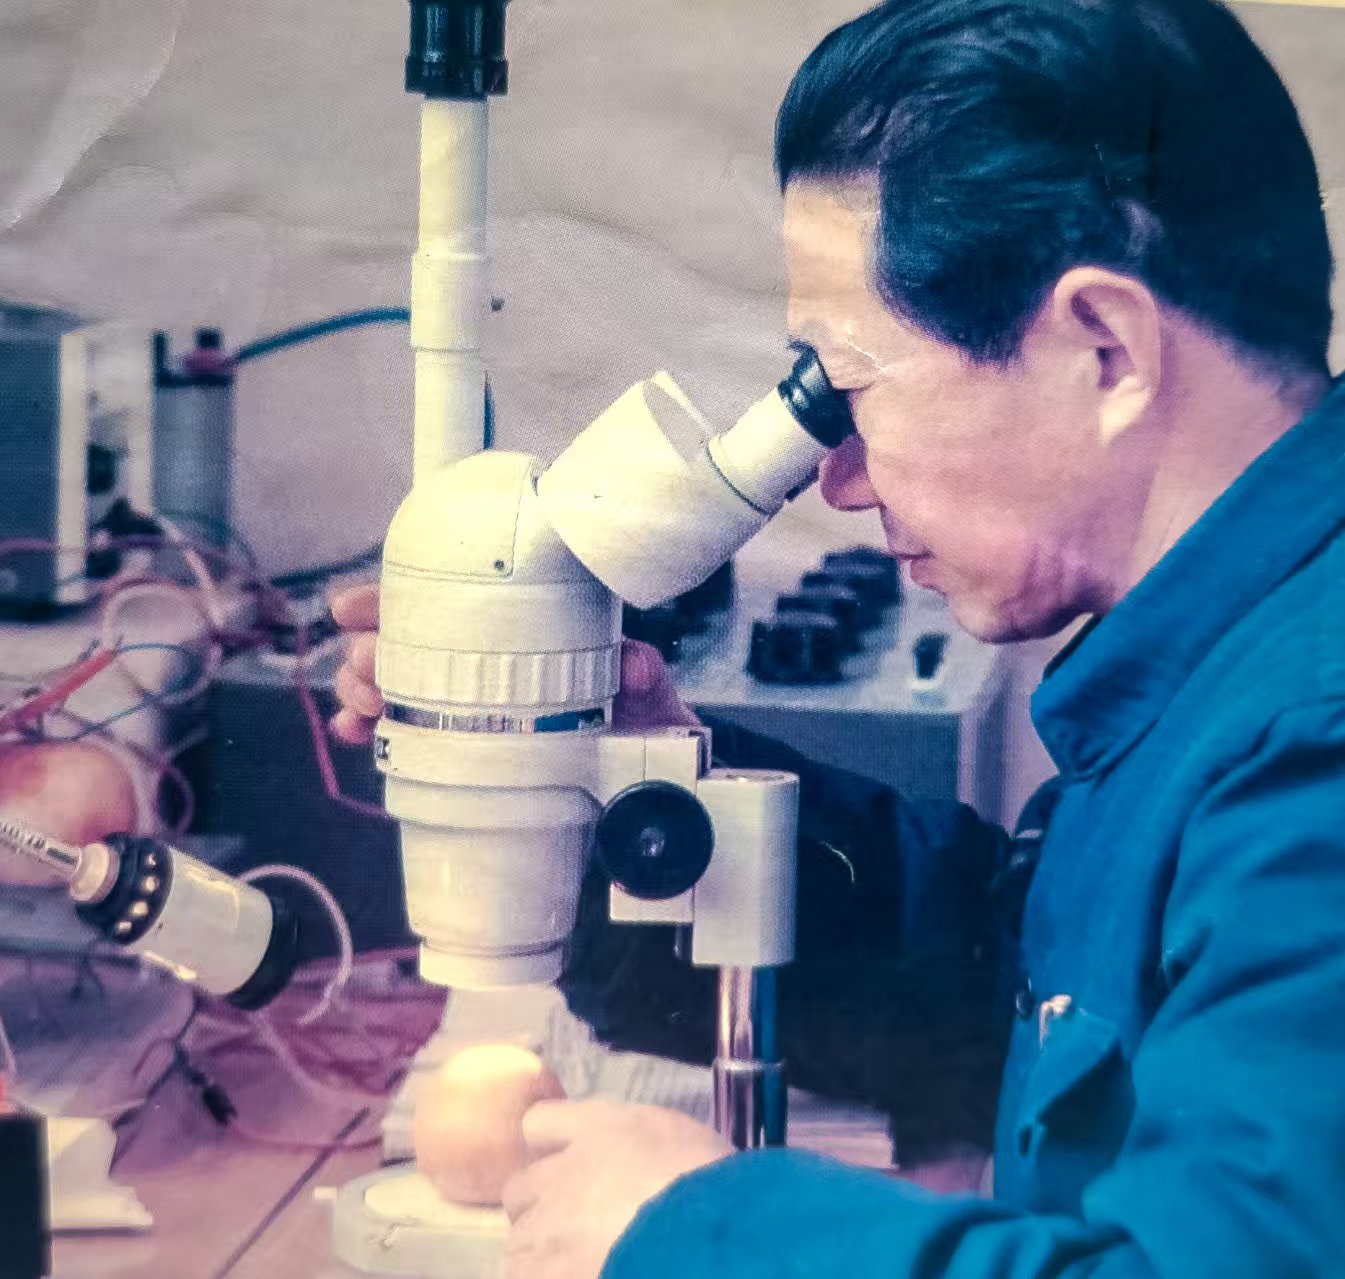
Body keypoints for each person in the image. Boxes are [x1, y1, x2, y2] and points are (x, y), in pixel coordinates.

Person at [333, 0, 1345, 1274]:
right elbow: (1012, 986)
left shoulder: (1315, 748)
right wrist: (608, 785)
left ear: (1104, 347)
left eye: (847, 385)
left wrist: (702, 1230)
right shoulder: (1232, 675)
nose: (842, 479)